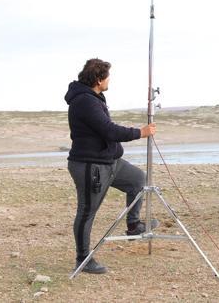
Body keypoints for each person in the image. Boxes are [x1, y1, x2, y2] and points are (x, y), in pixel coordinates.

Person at [66, 58, 157, 274]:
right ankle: (83, 259)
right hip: (91, 166)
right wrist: (140, 132)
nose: (109, 81)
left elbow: (105, 131)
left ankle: (133, 225)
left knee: (137, 179)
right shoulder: (85, 101)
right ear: (99, 79)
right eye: (107, 77)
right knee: (87, 211)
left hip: (110, 161)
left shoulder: (94, 98)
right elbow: (109, 130)